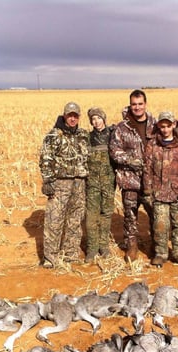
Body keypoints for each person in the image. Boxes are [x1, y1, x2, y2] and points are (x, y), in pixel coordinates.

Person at [39, 102, 89, 268]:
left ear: (79, 117)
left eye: (75, 115)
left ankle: (71, 255)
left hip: (79, 183)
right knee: (54, 220)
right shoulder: (54, 135)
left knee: (75, 220)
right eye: (70, 115)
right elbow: (46, 159)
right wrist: (48, 181)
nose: (73, 118)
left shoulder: (83, 134)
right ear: (65, 115)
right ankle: (50, 258)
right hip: (61, 183)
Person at [143, 111, 178, 268]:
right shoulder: (152, 145)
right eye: (162, 126)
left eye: (168, 126)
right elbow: (147, 169)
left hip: (177, 193)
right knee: (160, 224)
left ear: (173, 125)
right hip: (159, 193)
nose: (165, 129)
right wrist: (147, 191)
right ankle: (161, 253)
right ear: (158, 126)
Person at [109, 89, 156, 262]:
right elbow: (114, 151)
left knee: (155, 214)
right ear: (130, 105)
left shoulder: (155, 124)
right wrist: (131, 160)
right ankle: (132, 246)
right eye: (134, 104)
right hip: (130, 181)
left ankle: (155, 246)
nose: (137, 107)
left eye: (140, 104)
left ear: (145, 104)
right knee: (130, 216)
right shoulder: (122, 127)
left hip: (151, 182)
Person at [84, 107, 116, 263]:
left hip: (109, 183)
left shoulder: (113, 135)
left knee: (106, 214)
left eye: (98, 118)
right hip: (92, 184)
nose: (96, 122)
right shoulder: (87, 138)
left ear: (104, 118)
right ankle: (91, 249)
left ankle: (104, 247)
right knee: (91, 216)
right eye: (93, 119)